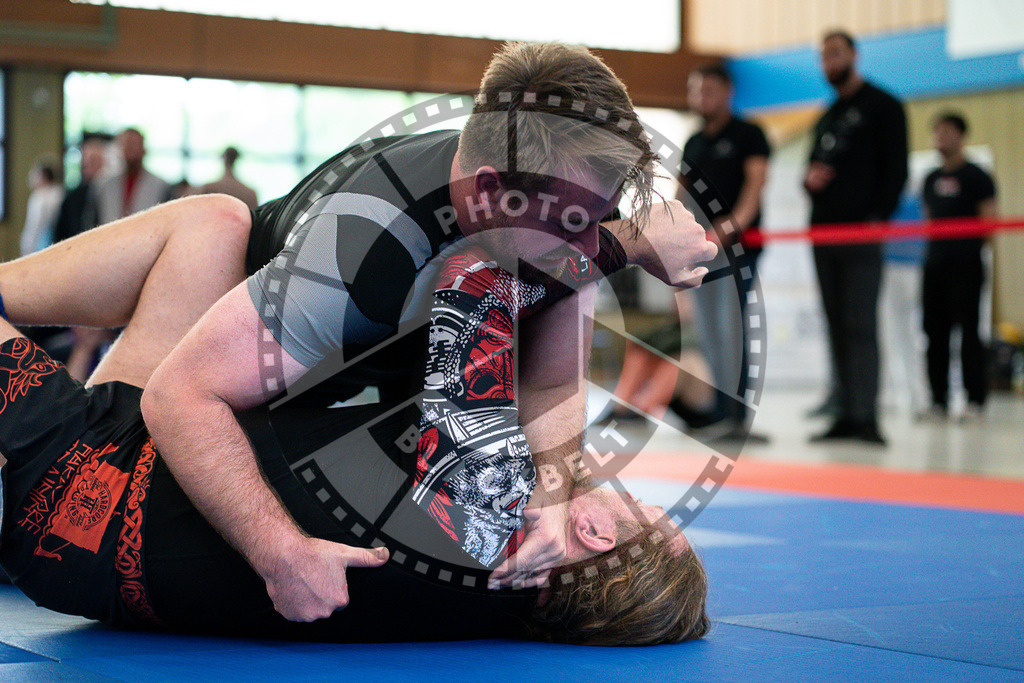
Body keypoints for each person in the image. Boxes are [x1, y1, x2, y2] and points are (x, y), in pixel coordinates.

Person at [0, 41, 715, 644]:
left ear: (594, 531)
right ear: (493, 190)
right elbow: (182, 395)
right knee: (216, 226)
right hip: (208, 388)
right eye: (577, 223)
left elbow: (508, 317)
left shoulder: (492, 498)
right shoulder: (360, 255)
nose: (584, 245)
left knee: (213, 226)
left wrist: (626, 242)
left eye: (596, 221)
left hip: (90, 487)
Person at [804, 30, 908, 445]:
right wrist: (810, 180)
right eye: (823, 56)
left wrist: (878, 217)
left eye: (835, 53)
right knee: (835, 324)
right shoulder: (827, 116)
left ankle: (866, 417)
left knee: (859, 322)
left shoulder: (883, 106)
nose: (829, 62)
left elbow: (896, 169)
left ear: (853, 55)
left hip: (861, 232)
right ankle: (844, 413)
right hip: (823, 233)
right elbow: (810, 170)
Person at [680, 64, 770, 443]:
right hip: (702, 250)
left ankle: (736, 416)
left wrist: (729, 227)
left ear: (727, 92)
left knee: (731, 329)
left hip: (735, 248)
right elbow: (681, 193)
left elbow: (755, 187)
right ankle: (720, 410)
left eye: (709, 91)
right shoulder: (694, 142)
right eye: (696, 91)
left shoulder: (749, 134)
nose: (702, 98)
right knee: (708, 331)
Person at [920, 112, 997, 421]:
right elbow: (928, 218)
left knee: (969, 332)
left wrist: (969, 250)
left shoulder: (977, 176)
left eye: (948, 131)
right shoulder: (930, 179)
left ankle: (974, 400)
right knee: (934, 332)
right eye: (937, 132)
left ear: (961, 135)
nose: (941, 137)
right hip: (935, 265)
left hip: (966, 265)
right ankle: (937, 400)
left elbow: (989, 221)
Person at [92, 127, 173, 225]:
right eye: (127, 145)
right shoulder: (103, 185)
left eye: (134, 144)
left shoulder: (161, 186)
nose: (130, 150)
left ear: (144, 149)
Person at [20, 160, 64, 257]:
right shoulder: (61, 193)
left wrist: (26, 250)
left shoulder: (39, 197)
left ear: (43, 176)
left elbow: (34, 226)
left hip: (41, 245)